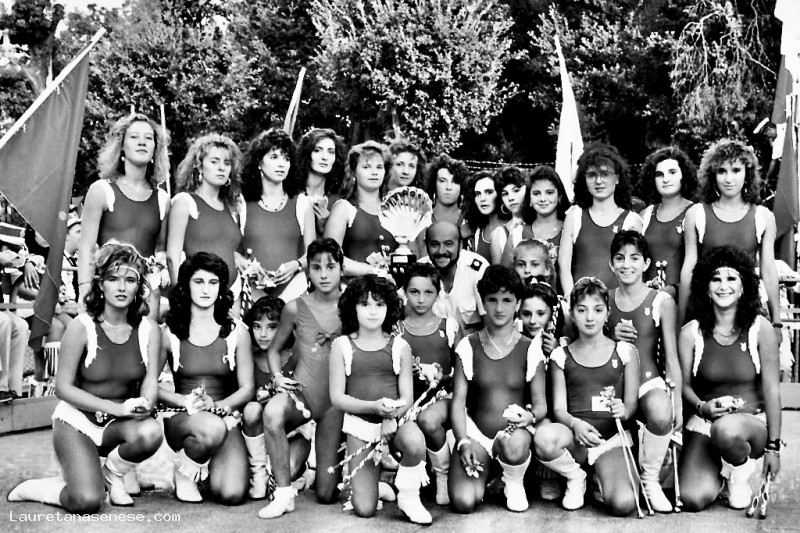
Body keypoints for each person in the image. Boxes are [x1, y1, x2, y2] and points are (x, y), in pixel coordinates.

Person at [8, 243, 162, 512]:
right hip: (78, 423)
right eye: (113, 279)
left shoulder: (149, 329)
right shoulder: (83, 326)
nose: (122, 287)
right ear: (101, 284)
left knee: (150, 432)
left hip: (118, 424)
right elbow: (63, 388)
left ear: (139, 286)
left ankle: (112, 474)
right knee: (87, 501)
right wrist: (116, 408)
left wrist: (146, 403)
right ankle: (39, 488)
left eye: (130, 280)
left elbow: (150, 380)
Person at [678, 246, 781, 511]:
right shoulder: (691, 333)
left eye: (731, 278)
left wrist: (773, 448)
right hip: (705, 423)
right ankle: (721, 473)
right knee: (692, 498)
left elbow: (772, 390)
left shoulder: (760, 328)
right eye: (716, 279)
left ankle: (739, 473)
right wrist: (702, 406)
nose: (723, 286)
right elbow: (684, 386)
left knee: (726, 430)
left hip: (749, 427)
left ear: (744, 286)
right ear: (706, 288)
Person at [329, 274, 433, 524]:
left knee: (414, 441)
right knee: (364, 509)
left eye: (379, 304)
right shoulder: (342, 345)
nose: (373, 311)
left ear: (389, 307)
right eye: (365, 304)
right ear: (353, 307)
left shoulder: (400, 346)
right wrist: (374, 408)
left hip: (395, 422)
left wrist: (390, 418)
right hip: (360, 426)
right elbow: (337, 398)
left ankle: (408, 496)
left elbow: (407, 397)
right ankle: (378, 487)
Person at [534, 277, 640, 515]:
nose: (590, 317)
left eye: (597, 310)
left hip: (610, 442)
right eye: (582, 310)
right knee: (544, 437)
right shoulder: (561, 356)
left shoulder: (625, 351)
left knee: (623, 504)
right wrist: (576, 425)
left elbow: (631, 406)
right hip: (576, 441)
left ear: (607, 313)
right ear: (572, 314)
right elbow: (559, 410)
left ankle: (601, 476)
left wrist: (624, 410)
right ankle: (576, 476)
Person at [258, 238, 344, 518]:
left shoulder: (353, 305)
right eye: (316, 267)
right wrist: (277, 377)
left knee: (326, 494)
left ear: (342, 269)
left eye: (331, 267)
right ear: (308, 271)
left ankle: (364, 483)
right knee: (272, 412)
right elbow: (274, 350)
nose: (324, 274)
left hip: (336, 403)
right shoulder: (295, 308)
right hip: (303, 393)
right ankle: (283, 494)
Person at [158, 252, 254, 504]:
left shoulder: (236, 332)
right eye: (198, 281)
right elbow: (148, 386)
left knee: (232, 494)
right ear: (186, 285)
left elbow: (247, 388)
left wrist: (218, 406)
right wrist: (183, 400)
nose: (205, 290)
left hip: (224, 417)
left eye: (213, 283)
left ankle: (207, 470)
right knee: (210, 429)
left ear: (221, 287)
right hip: (182, 418)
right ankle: (185, 470)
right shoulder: (170, 332)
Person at [449, 265, 546, 513]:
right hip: (477, 434)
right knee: (464, 502)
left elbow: (540, 404)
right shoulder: (468, 346)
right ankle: (489, 472)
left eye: (507, 300)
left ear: (518, 303)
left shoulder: (530, 347)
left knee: (514, 445)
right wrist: (463, 442)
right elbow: (458, 401)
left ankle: (512, 479)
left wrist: (530, 417)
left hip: (513, 435)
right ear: (483, 302)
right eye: (492, 300)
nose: (500, 308)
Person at [607, 231, 682, 512]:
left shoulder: (661, 301)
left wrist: (676, 402)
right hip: (612, 385)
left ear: (646, 263)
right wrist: (610, 334)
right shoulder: (603, 299)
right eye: (620, 258)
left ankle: (650, 480)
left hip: (647, 381)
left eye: (634, 258)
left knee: (661, 414)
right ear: (611, 263)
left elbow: (671, 356)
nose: (627, 264)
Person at [679, 140, 780, 328]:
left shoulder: (763, 217)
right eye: (721, 171)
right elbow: (688, 271)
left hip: (749, 312)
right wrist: (681, 319)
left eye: (736, 170)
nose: (728, 179)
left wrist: (777, 322)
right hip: (707, 313)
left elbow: (768, 271)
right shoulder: (697, 214)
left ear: (747, 173)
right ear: (712, 175)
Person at [78, 113, 170, 315]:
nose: (142, 142)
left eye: (148, 138)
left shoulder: (163, 199)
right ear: (121, 145)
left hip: (146, 300)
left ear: (155, 148)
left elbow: (161, 252)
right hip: (106, 295)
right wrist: (84, 295)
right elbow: (86, 249)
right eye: (134, 137)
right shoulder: (101, 191)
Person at [400, 262, 460, 506]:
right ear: (405, 292)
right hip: (409, 399)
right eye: (414, 292)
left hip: (442, 397)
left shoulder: (449, 326)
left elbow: (462, 370)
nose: (421, 299)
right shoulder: (397, 329)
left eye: (428, 292)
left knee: (428, 420)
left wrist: (441, 377)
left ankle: (442, 475)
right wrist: (408, 371)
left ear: (438, 293)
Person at [241, 296, 308, 501]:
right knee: (252, 409)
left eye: (271, 327)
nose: (263, 334)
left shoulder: (295, 357)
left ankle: (286, 477)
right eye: (257, 326)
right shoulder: (247, 357)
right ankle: (259, 474)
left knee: (289, 468)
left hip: (291, 433)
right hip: (257, 437)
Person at [168, 134, 244, 305]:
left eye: (227, 163)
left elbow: (227, 248)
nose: (221, 168)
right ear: (199, 166)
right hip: (196, 299)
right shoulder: (185, 202)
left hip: (231, 298)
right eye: (214, 161)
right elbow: (172, 258)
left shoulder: (232, 207)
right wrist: (181, 301)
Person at [241, 128, 315, 302]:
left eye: (286, 158)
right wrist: (249, 267)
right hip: (251, 294)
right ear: (259, 162)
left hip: (293, 294)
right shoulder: (241, 204)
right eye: (274, 157)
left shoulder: (302, 204)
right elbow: (231, 251)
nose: (282, 164)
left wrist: (296, 265)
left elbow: (312, 255)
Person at [559, 143, 643, 295]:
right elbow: (564, 265)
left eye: (605, 174)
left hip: (618, 304)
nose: (598, 181)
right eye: (592, 175)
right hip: (581, 303)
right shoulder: (574, 216)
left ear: (617, 178)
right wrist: (571, 299)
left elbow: (635, 270)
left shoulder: (631, 221)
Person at [325, 141, 398, 276]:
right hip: (355, 285)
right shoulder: (344, 209)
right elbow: (329, 257)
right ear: (353, 172)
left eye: (379, 167)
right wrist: (375, 271)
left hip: (393, 285)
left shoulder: (395, 210)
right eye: (366, 167)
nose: (374, 172)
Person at [638, 146, 697, 297]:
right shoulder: (645, 215)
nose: (666, 179)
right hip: (647, 300)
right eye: (659, 174)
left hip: (685, 300)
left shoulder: (696, 213)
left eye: (672, 172)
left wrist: (673, 291)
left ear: (684, 174)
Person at [503, 165, 569, 287]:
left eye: (549, 193)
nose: (543, 199)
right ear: (529, 199)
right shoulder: (517, 234)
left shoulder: (571, 230)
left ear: (559, 196)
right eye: (536, 193)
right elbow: (506, 280)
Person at [423, 221, 488, 334]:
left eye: (448, 244)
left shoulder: (477, 270)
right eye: (434, 244)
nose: (441, 251)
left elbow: (490, 324)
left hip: (473, 342)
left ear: (460, 245)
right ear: (426, 246)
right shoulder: (419, 272)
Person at [297, 128, 346, 236]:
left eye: (331, 152)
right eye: (317, 150)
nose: (325, 157)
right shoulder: (290, 195)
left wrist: (326, 227)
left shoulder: (338, 204)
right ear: (307, 153)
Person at [461, 171, 509, 263]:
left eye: (489, 192)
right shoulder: (475, 228)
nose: (482, 199)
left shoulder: (513, 226)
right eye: (478, 194)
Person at [490, 166, 528, 266]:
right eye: (505, 194)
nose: (510, 198)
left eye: (516, 190)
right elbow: (499, 273)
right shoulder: (499, 235)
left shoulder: (540, 224)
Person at [426, 153, 467, 227]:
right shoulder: (421, 218)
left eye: (455, 182)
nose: (448, 187)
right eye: (443, 181)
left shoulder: (469, 221)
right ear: (434, 183)